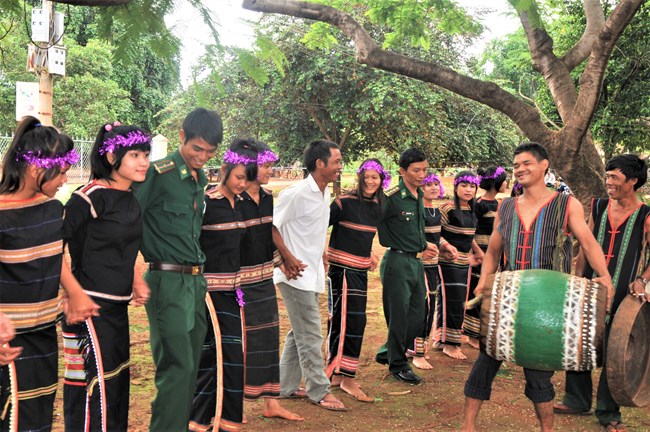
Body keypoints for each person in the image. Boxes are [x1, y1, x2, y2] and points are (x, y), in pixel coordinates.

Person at [461, 142, 614, 432]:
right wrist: (484, 281)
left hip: (549, 304)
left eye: (526, 163)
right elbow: (493, 250)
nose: (519, 169)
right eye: (516, 165)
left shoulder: (566, 203)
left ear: (544, 165)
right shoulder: (506, 206)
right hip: (508, 302)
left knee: (539, 377)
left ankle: (547, 429)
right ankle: (467, 428)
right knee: (484, 364)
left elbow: (588, 242)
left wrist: (604, 276)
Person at [0, 116, 99, 431]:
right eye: (62, 173)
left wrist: (76, 292)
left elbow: (53, 256)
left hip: (44, 331)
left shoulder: (52, 208)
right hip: (8, 339)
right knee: (11, 417)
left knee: (38, 415)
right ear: (36, 168)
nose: (63, 181)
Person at [132, 108, 222, 431]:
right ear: (182, 137)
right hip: (166, 281)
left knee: (190, 367)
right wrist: (133, 273)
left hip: (195, 284)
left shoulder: (199, 181)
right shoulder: (159, 174)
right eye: (197, 149)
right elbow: (128, 222)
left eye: (210, 152)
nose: (202, 157)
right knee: (176, 368)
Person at [61, 122, 151, 431]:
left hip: (116, 309)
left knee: (115, 385)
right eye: (135, 154)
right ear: (112, 156)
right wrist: (73, 294)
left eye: (146, 154)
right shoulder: (88, 198)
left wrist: (136, 278)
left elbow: (125, 246)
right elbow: (53, 247)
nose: (143, 162)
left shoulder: (129, 198)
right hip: (88, 310)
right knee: (92, 390)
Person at [554, 154, 650, 432]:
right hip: (591, 286)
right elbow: (585, 246)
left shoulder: (645, 215)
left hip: (623, 294)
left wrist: (642, 280)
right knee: (579, 341)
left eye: (615, 178)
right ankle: (576, 399)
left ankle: (609, 412)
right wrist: (577, 280)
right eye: (607, 177)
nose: (608, 182)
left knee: (616, 350)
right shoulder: (597, 207)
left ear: (633, 181)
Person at [273, 139, 347, 411]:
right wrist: (287, 258)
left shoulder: (323, 191)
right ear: (320, 163)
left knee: (300, 332)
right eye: (336, 161)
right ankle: (320, 390)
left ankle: (284, 386)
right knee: (311, 334)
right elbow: (270, 227)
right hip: (295, 275)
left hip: (312, 272)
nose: (340, 166)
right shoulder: (295, 194)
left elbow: (312, 229)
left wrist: (321, 253)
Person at [189, 139, 258, 431]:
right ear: (225, 170)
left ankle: (228, 422)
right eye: (239, 177)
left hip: (234, 292)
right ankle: (200, 422)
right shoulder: (206, 202)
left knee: (233, 358)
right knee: (214, 358)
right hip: (209, 293)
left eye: (247, 179)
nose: (243, 184)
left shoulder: (241, 205)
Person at [238, 140, 303, 421]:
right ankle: (231, 406)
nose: (270, 170)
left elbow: (268, 229)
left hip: (264, 277)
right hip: (237, 282)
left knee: (268, 338)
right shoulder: (226, 197)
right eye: (265, 165)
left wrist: (285, 258)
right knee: (239, 343)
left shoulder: (265, 196)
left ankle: (271, 403)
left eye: (270, 165)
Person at [325, 159, 387, 402]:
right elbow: (319, 227)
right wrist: (319, 252)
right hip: (341, 271)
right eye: (367, 176)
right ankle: (345, 376)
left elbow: (363, 235)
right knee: (348, 321)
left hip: (359, 271)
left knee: (348, 321)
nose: (371, 181)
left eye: (376, 177)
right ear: (360, 177)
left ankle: (338, 374)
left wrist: (368, 253)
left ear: (382, 179)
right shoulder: (343, 202)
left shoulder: (379, 205)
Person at [374, 148, 438, 385]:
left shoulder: (418, 195)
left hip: (415, 260)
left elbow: (415, 229)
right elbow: (371, 220)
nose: (422, 174)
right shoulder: (391, 197)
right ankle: (398, 364)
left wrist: (425, 244)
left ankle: (387, 351)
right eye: (416, 170)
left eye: (424, 169)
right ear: (402, 171)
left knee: (418, 314)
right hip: (397, 262)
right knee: (399, 316)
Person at [433, 170, 483, 360]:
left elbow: (468, 236)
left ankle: (441, 338)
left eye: (472, 186)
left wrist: (477, 251)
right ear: (455, 187)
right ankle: (450, 344)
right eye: (464, 185)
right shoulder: (447, 208)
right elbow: (434, 232)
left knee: (454, 300)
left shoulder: (472, 210)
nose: (468, 190)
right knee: (452, 300)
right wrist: (446, 245)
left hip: (464, 262)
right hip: (447, 262)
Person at [463, 166, 507, 350]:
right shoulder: (479, 204)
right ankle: (472, 335)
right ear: (497, 183)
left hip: (495, 255)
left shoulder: (500, 204)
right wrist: (476, 252)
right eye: (505, 180)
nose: (507, 184)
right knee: (477, 291)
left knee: (490, 293)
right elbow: (470, 231)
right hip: (481, 255)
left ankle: (484, 331)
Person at [409, 171, 444, 370]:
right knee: (422, 306)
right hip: (419, 265)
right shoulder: (417, 210)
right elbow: (411, 236)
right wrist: (422, 249)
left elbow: (438, 237)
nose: (433, 188)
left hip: (434, 266)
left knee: (431, 305)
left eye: (435, 184)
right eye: (428, 185)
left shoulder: (436, 211)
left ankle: (419, 347)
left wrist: (445, 246)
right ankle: (417, 353)